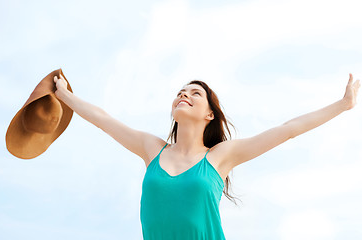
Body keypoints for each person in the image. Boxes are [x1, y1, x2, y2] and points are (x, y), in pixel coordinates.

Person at [53, 73, 360, 240]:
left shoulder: (220, 156)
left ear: (210, 115)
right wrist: (65, 95)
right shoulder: (152, 149)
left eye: (194, 93)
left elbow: (288, 129)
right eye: (180, 92)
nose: (183, 94)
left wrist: (342, 105)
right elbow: (104, 120)